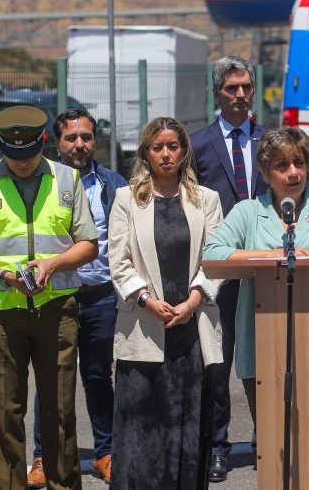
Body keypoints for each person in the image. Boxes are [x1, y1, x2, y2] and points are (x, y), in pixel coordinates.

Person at [203, 127, 309, 488]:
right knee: (274, 440)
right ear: (264, 173)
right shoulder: (247, 211)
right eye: (281, 165)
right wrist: (270, 256)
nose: (293, 172)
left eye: (299, 162)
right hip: (262, 344)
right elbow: (213, 254)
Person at [0, 105, 98, 490]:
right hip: (1, 314)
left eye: (28, 155)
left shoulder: (67, 179)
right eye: (12, 155)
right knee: (6, 415)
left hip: (56, 310)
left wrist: (54, 264)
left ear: (43, 143)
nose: (20, 162)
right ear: (1, 146)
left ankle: (64, 485)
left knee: (60, 412)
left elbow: (89, 246)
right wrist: (4, 276)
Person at [109, 117, 224, 490]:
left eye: (173, 146)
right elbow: (118, 262)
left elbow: (217, 259)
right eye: (157, 147)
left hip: (190, 329)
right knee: (142, 427)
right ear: (146, 152)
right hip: (144, 327)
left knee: (185, 424)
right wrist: (146, 300)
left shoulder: (206, 200)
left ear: (184, 150)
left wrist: (192, 302)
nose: (165, 154)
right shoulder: (127, 199)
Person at [25, 108, 126, 488]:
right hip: (55, 297)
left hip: (100, 297)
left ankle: (105, 452)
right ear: (57, 142)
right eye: (72, 138)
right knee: (50, 378)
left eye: (86, 137)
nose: (80, 144)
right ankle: (42, 457)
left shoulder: (113, 184)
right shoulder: (41, 183)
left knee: (99, 377)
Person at [189, 55, 269, 482]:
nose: (240, 96)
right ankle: (217, 446)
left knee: (266, 360)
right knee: (217, 363)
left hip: (266, 267)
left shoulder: (272, 141)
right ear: (217, 92)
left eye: (246, 88)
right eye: (232, 89)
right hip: (219, 269)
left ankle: (265, 439)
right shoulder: (197, 145)